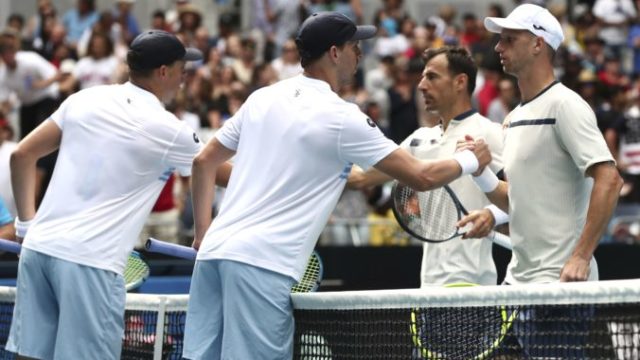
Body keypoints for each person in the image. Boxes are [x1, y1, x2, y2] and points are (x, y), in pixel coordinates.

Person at [182, 12, 492, 359]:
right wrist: (472, 160)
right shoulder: (343, 117)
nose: (359, 55)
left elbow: (203, 162)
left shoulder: (262, 98)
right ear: (333, 53)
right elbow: (422, 176)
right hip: (261, 264)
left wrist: (202, 234)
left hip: (211, 258)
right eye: (354, 47)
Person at [6, 30, 205, 359]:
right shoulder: (170, 129)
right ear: (164, 72)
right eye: (182, 68)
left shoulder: (84, 98)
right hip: (91, 263)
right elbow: (218, 170)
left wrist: (26, 226)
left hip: (39, 251)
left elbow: (21, 156)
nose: (185, 77)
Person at [458, 4, 623, 358]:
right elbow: (515, 199)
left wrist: (581, 256)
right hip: (517, 285)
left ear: (537, 44)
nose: (498, 48)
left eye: (509, 39)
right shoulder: (514, 117)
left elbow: (609, 179)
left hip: (559, 289)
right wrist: (482, 172)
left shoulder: (566, 105)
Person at [349, 46, 506, 286]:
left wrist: (492, 215)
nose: (421, 85)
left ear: (460, 82)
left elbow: (524, 196)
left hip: (473, 284)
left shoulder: (489, 133)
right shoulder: (418, 139)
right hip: (429, 284)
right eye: (422, 77)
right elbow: (360, 178)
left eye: (432, 77)